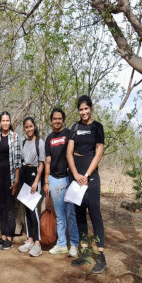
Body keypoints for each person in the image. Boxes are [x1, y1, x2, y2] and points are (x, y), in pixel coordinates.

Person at [67, 95, 107, 274]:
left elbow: (99, 154)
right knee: (79, 213)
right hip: (76, 176)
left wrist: (86, 175)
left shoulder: (97, 127)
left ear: (91, 108)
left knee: (95, 213)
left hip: (91, 176)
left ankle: (101, 256)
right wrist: (75, 174)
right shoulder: (75, 127)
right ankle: (83, 252)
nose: (83, 112)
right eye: (81, 109)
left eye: (86, 109)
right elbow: (69, 153)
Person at [44, 108, 79, 257]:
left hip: (68, 179)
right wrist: (46, 181)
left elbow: (74, 154)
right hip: (54, 180)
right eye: (54, 119)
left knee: (71, 213)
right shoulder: (49, 138)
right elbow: (47, 161)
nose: (57, 121)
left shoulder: (68, 134)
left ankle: (75, 244)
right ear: (51, 120)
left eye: (59, 118)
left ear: (63, 119)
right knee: (59, 215)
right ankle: (62, 244)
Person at [0, 111, 21, 250]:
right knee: (1, 207)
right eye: (3, 120)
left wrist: (16, 180)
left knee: (9, 208)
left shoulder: (15, 137)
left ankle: (9, 238)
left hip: (9, 177)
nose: (5, 123)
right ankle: (3, 236)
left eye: (7, 120)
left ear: (10, 122)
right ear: (0, 122)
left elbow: (17, 161)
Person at [17, 117, 45, 257]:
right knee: (26, 210)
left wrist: (36, 181)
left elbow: (41, 163)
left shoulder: (40, 142)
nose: (29, 129)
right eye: (26, 127)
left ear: (34, 127)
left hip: (35, 175)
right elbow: (21, 161)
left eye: (31, 126)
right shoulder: (23, 143)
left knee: (34, 210)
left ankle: (38, 244)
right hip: (25, 175)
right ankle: (30, 240)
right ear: (24, 129)